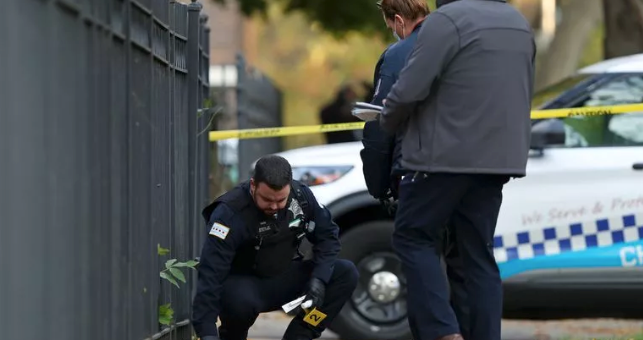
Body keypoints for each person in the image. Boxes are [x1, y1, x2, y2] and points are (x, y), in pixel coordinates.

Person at [380, 0, 536, 339]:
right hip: (499, 158)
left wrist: (387, 119)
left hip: (444, 157)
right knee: (477, 254)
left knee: (412, 236)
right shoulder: (517, 22)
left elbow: (410, 88)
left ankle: (443, 331)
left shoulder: (447, 21)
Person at [361, 0, 470, 338]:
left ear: (398, 19)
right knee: (466, 262)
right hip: (471, 167)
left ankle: (438, 333)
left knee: (418, 255)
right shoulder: (462, 45)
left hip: (416, 168)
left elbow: (380, 127)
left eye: (391, 26)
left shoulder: (398, 55)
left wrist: (379, 185)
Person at [191, 155, 359, 340]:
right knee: (238, 302)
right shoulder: (229, 213)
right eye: (267, 199)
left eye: (281, 200)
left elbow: (328, 238)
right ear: (253, 185)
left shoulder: (301, 196)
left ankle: (302, 334)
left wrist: (319, 279)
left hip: (283, 276)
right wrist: (207, 334)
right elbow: (210, 274)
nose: (275, 206)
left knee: (344, 273)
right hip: (243, 286)